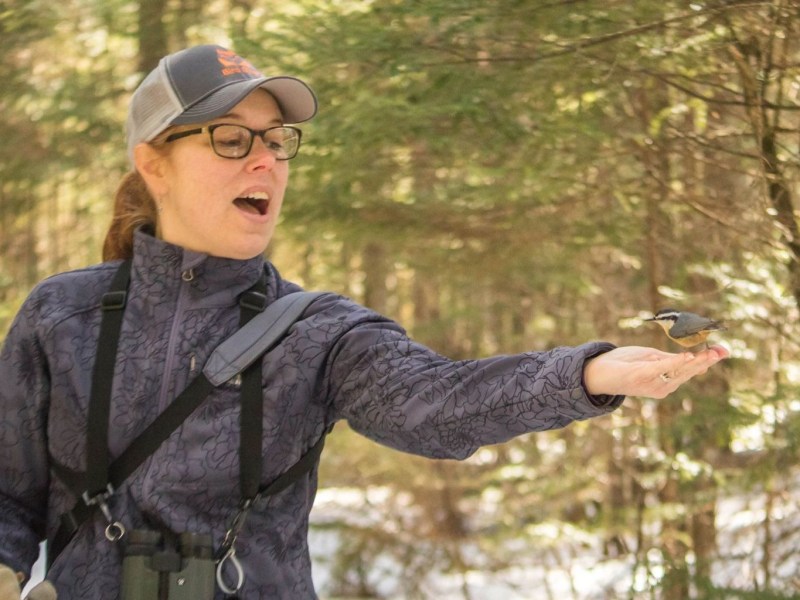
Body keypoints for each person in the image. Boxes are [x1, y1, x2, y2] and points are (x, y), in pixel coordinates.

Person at [0, 44, 728, 600]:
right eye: (232, 139)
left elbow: (437, 405)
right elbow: (7, 499)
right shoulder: (62, 316)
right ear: (153, 163)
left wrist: (586, 374)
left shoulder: (316, 332)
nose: (266, 162)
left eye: (277, 140)